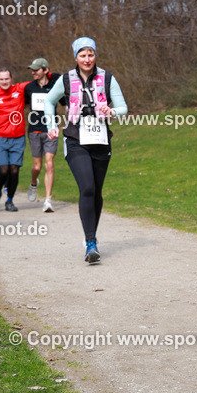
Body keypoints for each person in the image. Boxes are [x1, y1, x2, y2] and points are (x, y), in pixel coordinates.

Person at [44, 37, 127, 263]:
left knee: (96, 191)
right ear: (76, 58)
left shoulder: (107, 78)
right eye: (82, 55)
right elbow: (49, 102)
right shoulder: (67, 79)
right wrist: (51, 125)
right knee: (87, 187)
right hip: (75, 139)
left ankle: (91, 235)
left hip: (100, 139)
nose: (87, 59)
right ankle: (90, 242)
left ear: (95, 56)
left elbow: (123, 108)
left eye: (90, 54)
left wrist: (111, 111)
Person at [0, 68, 28, 212]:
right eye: (1, 79)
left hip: (18, 137)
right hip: (0, 137)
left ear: (11, 78)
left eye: (6, 79)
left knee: (14, 170)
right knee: (3, 170)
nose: (4, 81)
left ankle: (10, 201)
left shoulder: (19, 89)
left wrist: (47, 74)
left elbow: (36, 82)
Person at [24, 58, 61, 212]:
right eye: (32, 69)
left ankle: (47, 200)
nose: (33, 72)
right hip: (34, 130)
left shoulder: (55, 86)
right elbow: (25, 105)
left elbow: (65, 101)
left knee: (50, 163)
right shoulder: (29, 88)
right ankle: (34, 183)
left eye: (36, 70)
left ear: (45, 70)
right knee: (37, 166)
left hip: (51, 130)